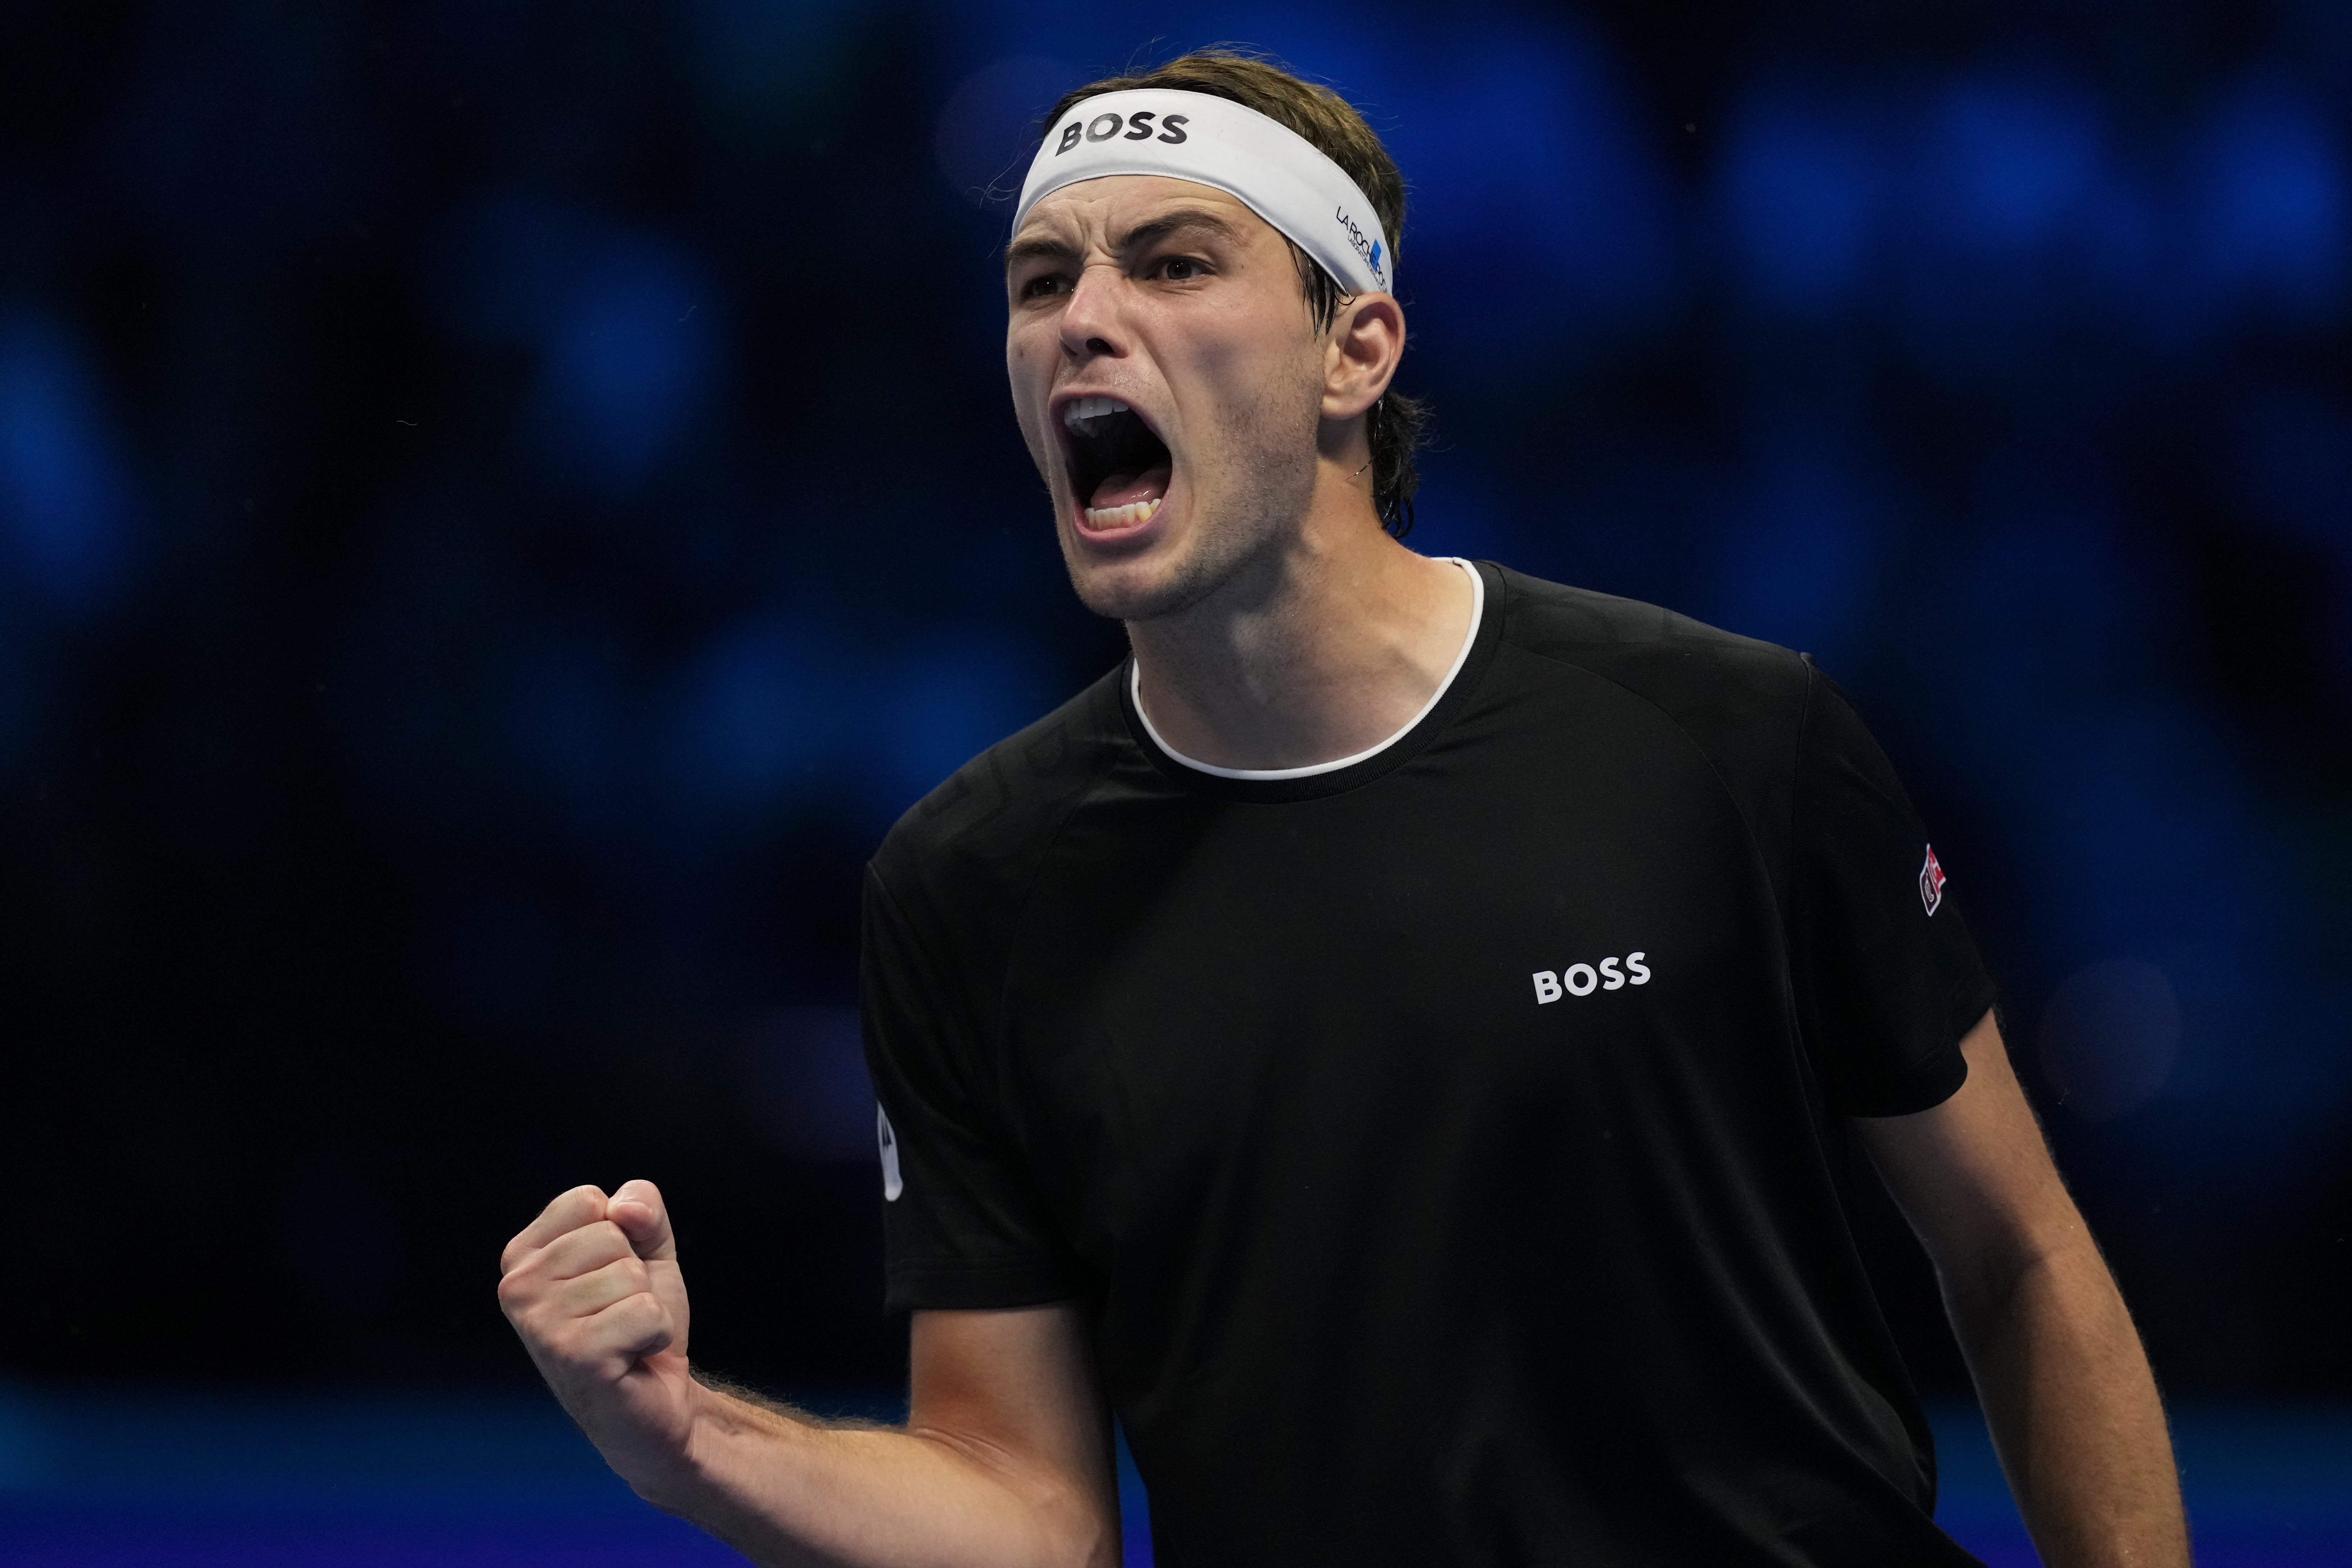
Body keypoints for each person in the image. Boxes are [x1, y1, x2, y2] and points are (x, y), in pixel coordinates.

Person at [497, 49, 2191, 1567]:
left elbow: (2019, 1262)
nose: (1084, 317)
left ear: (1353, 348)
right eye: (1039, 280)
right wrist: (688, 1438)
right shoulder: (966, 889)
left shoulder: (1729, 737)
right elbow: (1031, 1520)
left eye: (1172, 262)